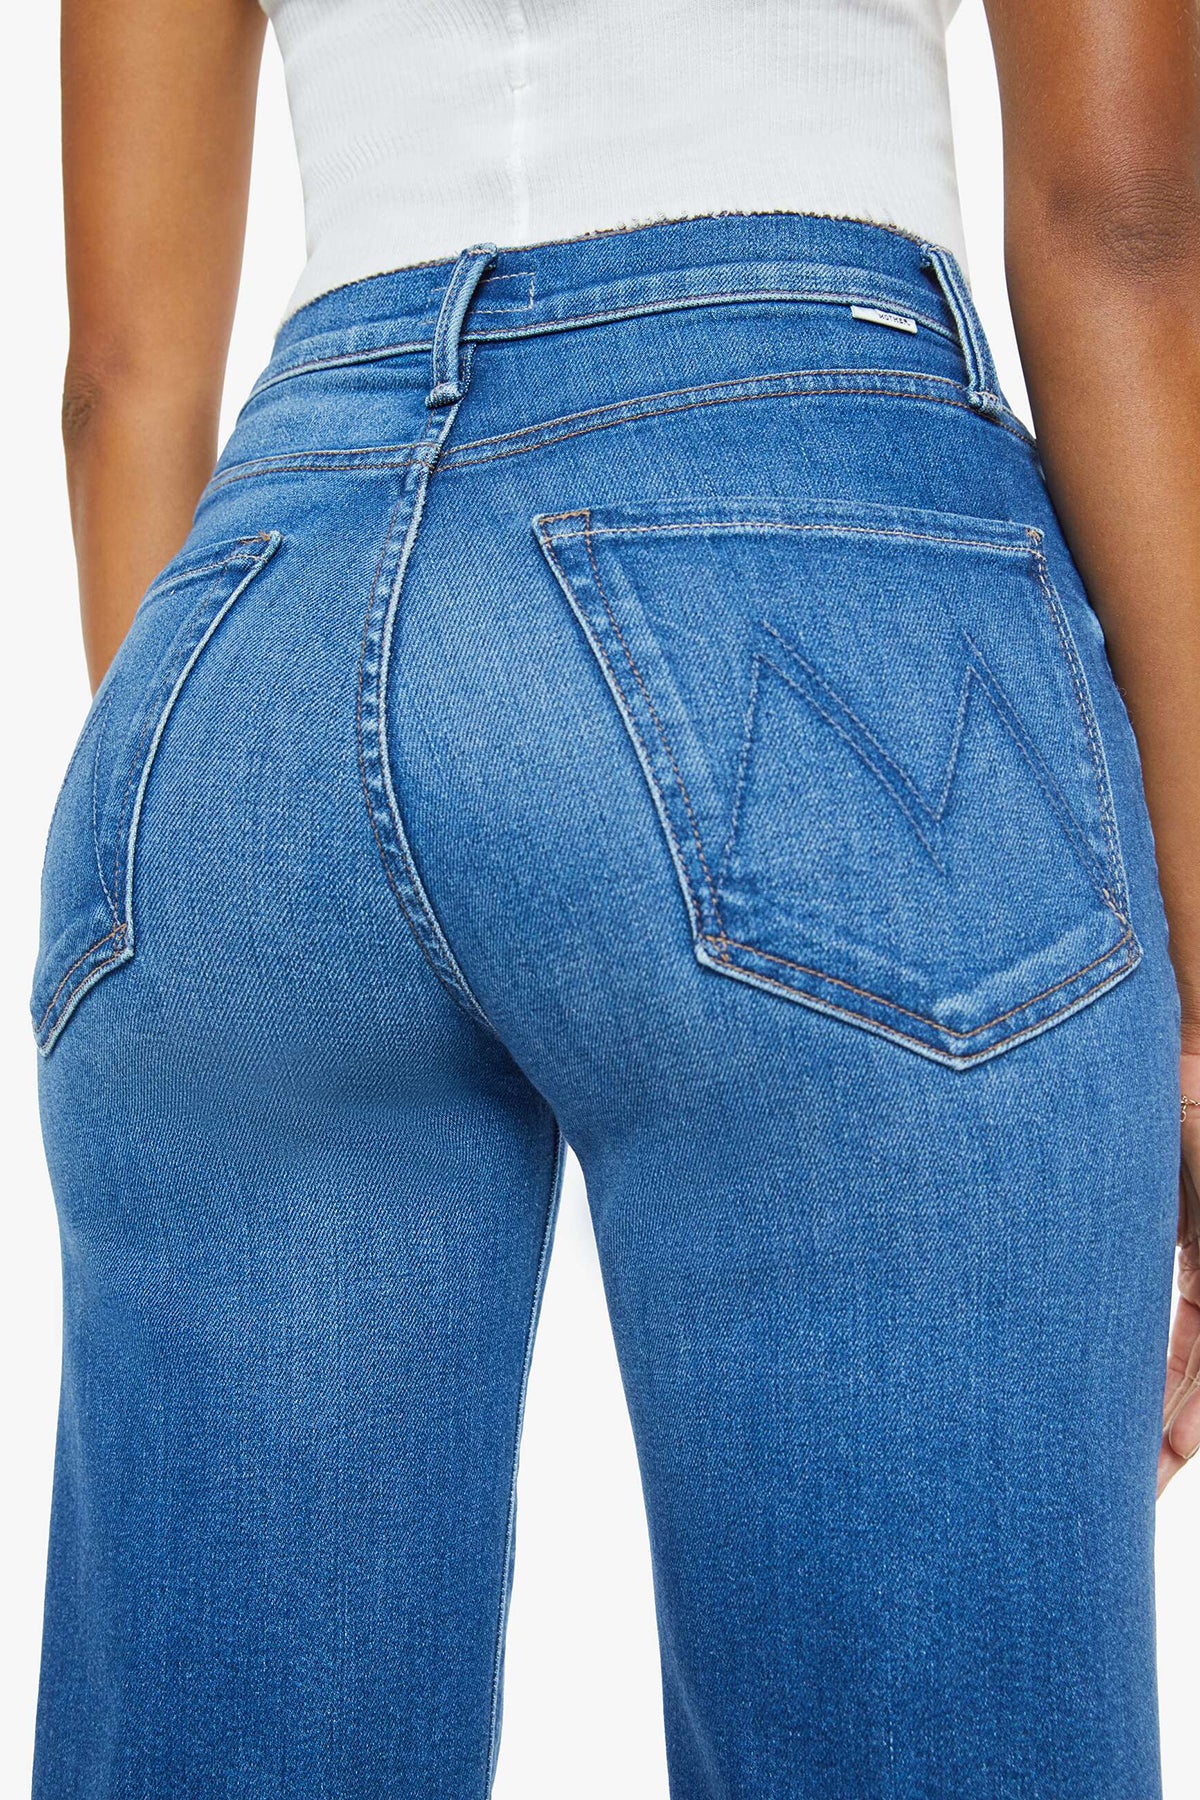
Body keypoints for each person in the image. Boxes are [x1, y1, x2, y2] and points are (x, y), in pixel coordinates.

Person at [32, 0, 1199, 1794]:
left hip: (247, 625)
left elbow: (117, 379)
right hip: (806, 545)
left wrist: (216, 839)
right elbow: (1123, 219)